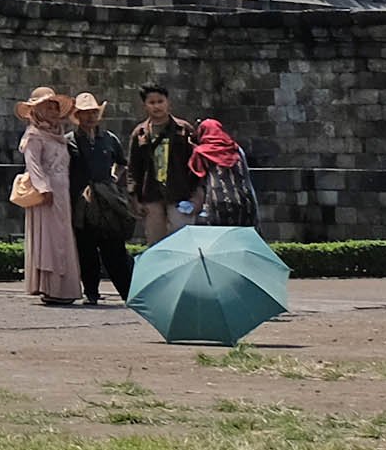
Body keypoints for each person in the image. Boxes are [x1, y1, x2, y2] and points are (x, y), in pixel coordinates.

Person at [13, 89, 83, 307]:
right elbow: (33, 164)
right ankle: (49, 286)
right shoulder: (34, 135)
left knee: (63, 236)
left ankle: (64, 287)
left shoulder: (58, 135)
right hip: (47, 193)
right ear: (37, 111)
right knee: (50, 238)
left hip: (62, 190)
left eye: (54, 107)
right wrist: (44, 188)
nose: (52, 112)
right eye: (47, 107)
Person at [66, 93, 130, 305]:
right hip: (81, 200)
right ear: (78, 116)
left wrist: (113, 177)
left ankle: (127, 292)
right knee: (86, 248)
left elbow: (122, 163)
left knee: (115, 247)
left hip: (106, 198)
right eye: (85, 113)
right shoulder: (69, 141)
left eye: (93, 112)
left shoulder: (109, 139)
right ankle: (91, 292)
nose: (90, 117)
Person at [124, 85, 196, 247]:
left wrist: (197, 195)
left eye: (160, 101)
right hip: (151, 194)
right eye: (152, 102)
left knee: (183, 241)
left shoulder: (183, 130)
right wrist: (134, 198)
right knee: (156, 244)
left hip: (180, 194)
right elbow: (133, 168)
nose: (156, 106)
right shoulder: (140, 133)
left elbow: (196, 164)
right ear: (145, 106)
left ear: (168, 103)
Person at [189, 116, 261, 228]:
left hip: (217, 203)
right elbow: (247, 178)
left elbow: (196, 179)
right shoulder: (236, 149)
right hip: (244, 200)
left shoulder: (201, 152)